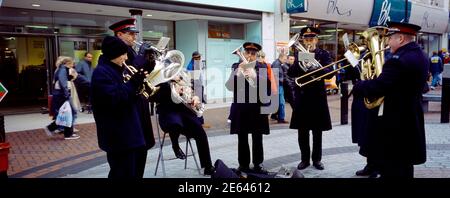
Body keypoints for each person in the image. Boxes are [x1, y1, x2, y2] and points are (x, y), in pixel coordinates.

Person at [352, 21, 428, 178]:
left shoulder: (397, 60)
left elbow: (379, 86)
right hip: (410, 118)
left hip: (395, 124)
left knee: (392, 167)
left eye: (390, 38)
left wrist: (360, 85)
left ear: (400, 38)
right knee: (405, 166)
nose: (387, 42)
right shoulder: (420, 55)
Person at [91, 36, 152, 178]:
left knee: (136, 169)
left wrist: (140, 84)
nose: (126, 57)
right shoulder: (102, 73)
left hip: (130, 132)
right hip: (118, 135)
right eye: (123, 54)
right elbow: (115, 98)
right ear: (113, 55)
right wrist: (133, 83)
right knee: (122, 173)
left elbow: (129, 95)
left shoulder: (117, 68)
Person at [287, 27, 333, 170]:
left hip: (317, 98)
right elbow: (291, 73)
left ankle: (317, 160)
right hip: (302, 98)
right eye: (306, 39)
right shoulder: (299, 53)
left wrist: (316, 69)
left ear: (316, 40)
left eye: (311, 39)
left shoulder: (323, 54)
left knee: (317, 132)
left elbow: (330, 73)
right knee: (302, 132)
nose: (308, 41)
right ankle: (304, 159)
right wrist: (298, 62)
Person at [109, 18, 155, 155]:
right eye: (131, 34)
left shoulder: (130, 50)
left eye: (135, 34)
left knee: (143, 145)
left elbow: (142, 72)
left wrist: (150, 60)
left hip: (139, 99)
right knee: (136, 148)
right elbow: (129, 74)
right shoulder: (114, 54)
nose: (134, 37)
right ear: (119, 34)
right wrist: (141, 57)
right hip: (130, 102)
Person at [225, 42, 271, 173]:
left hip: (257, 107)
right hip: (241, 107)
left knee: (258, 137)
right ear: (243, 53)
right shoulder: (236, 66)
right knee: (242, 137)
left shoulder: (261, 66)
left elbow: (266, 86)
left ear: (256, 55)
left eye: (253, 53)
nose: (250, 56)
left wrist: (255, 76)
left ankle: (258, 164)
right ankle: (243, 164)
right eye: (247, 53)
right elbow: (229, 86)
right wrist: (239, 73)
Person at [153, 79, 215, 175]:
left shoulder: (182, 76)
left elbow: (193, 88)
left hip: (184, 115)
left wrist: (194, 97)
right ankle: (175, 146)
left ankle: (208, 167)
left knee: (201, 133)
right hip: (168, 114)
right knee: (175, 123)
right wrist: (170, 86)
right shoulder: (161, 79)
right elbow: (153, 97)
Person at [44, 56, 80, 140]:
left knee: (67, 113)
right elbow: (63, 83)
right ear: (68, 63)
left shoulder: (61, 69)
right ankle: (66, 133)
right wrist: (66, 94)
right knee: (69, 113)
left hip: (61, 95)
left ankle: (57, 130)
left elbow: (62, 80)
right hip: (62, 95)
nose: (73, 65)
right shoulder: (63, 70)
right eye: (72, 63)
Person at [186, 51, 210, 129]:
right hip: (195, 87)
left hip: (200, 86)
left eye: (199, 57)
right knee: (196, 105)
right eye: (198, 57)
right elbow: (191, 78)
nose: (200, 58)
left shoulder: (198, 64)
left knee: (200, 104)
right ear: (194, 58)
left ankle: (200, 122)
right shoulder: (191, 66)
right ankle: (197, 122)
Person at [270, 52, 289, 123]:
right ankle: (281, 118)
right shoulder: (276, 64)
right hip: (278, 85)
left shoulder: (279, 63)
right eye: (285, 59)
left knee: (278, 102)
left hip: (278, 85)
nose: (285, 60)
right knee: (281, 102)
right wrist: (283, 80)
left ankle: (274, 115)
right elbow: (275, 77)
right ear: (280, 57)